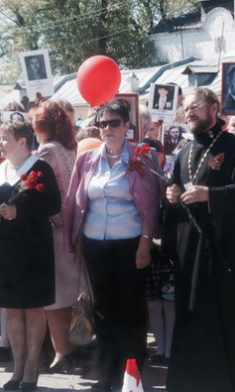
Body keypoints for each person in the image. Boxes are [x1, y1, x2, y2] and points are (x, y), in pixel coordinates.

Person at [164, 87, 235, 391]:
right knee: (195, 321)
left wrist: (211, 195)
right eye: (186, 107)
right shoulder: (184, 150)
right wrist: (171, 198)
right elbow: (176, 189)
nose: (189, 112)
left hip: (227, 256)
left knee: (229, 322)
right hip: (192, 256)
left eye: (195, 105)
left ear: (213, 107)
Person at [64, 100, 164, 391]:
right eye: (102, 123)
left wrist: (145, 244)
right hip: (96, 245)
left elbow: (151, 205)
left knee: (131, 311)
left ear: (127, 126)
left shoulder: (144, 157)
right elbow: (77, 203)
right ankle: (107, 374)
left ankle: (131, 375)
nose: (107, 129)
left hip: (131, 245)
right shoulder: (87, 159)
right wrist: (79, 240)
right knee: (105, 311)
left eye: (114, 123)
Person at [0, 120, 60, 391]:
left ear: (23, 142)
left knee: (33, 307)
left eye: (5, 138)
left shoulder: (40, 168)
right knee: (12, 309)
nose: (0, 143)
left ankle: (31, 367)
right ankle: (17, 367)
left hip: (34, 249)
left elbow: (53, 204)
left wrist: (20, 211)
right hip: (6, 249)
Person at [30, 101, 80, 373]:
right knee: (71, 293)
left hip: (55, 228)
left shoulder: (48, 150)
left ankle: (63, 352)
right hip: (71, 228)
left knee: (56, 297)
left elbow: (40, 188)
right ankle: (71, 349)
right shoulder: (69, 148)